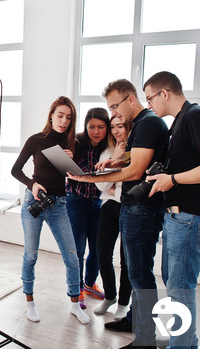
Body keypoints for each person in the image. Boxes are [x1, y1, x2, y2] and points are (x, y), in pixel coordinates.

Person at [133, 71, 200, 349]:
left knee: (179, 290)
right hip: (180, 217)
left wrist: (171, 180)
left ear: (165, 92)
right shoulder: (181, 123)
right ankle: (189, 344)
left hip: (191, 219)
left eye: (149, 97)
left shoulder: (195, 116)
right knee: (177, 284)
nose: (149, 104)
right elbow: (193, 166)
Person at [68, 79, 168, 349]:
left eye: (115, 105)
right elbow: (135, 161)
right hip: (135, 206)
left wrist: (90, 177)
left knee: (140, 274)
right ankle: (135, 320)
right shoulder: (142, 125)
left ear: (131, 99)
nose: (113, 112)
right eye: (110, 107)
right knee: (136, 270)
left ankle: (145, 340)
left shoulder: (147, 124)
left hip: (143, 208)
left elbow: (136, 171)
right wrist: (112, 162)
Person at [11, 96, 91, 325]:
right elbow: (16, 170)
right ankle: (30, 302)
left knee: (72, 256)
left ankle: (75, 304)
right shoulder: (36, 140)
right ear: (51, 115)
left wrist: (71, 162)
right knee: (31, 254)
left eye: (68, 117)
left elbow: (80, 176)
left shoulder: (72, 143)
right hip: (33, 201)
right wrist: (32, 184)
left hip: (59, 205)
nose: (64, 121)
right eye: (60, 115)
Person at [66, 108, 110, 309]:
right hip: (76, 200)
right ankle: (77, 290)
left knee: (98, 249)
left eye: (101, 127)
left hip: (100, 203)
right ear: (85, 126)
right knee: (78, 249)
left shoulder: (111, 146)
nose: (96, 131)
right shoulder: (75, 142)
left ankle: (90, 283)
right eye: (91, 127)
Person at [93, 116, 132, 318]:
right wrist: (115, 160)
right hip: (109, 207)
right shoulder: (107, 153)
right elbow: (101, 186)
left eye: (121, 126)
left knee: (127, 260)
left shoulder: (138, 151)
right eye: (113, 127)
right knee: (102, 254)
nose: (117, 131)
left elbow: (128, 185)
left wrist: (115, 183)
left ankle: (124, 303)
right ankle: (110, 296)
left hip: (129, 208)